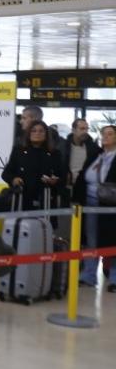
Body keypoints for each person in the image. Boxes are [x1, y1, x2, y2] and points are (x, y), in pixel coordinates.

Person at [74, 124, 116, 292]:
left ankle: (114, 278)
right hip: (90, 203)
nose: (105, 137)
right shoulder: (95, 154)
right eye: (103, 134)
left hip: (111, 204)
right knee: (91, 240)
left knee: (113, 240)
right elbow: (82, 177)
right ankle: (89, 276)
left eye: (110, 134)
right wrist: (77, 199)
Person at [2, 120, 65, 211]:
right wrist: (14, 179)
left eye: (41, 131)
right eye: (34, 131)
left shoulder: (55, 154)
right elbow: (6, 173)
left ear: (46, 134)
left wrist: (55, 181)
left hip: (46, 202)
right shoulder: (18, 151)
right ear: (28, 133)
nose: (37, 133)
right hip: (22, 201)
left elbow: (62, 177)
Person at [59, 118, 99, 188]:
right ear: (73, 130)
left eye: (87, 129)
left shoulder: (92, 148)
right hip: (66, 185)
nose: (85, 131)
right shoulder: (64, 147)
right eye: (82, 129)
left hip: (84, 186)